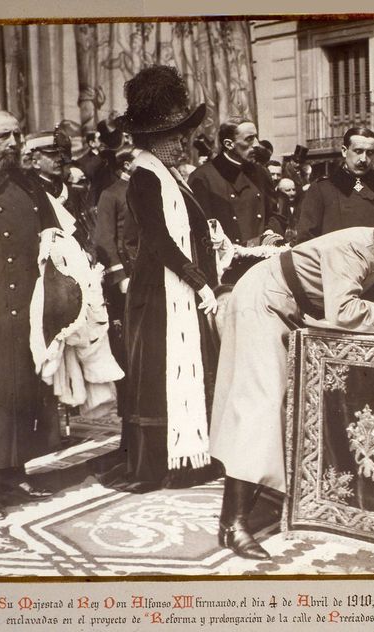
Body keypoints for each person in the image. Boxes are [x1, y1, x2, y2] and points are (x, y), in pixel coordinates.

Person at [210, 211, 374, 559]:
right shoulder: (355, 248)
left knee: (287, 401)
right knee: (261, 403)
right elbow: (345, 311)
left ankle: (264, 491)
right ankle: (233, 524)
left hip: (285, 304)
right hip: (262, 300)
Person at [114, 65, 220, 491]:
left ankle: (191, 460)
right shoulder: (145, 176)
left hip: (174, 287)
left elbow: (192, 232)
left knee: (190, 371)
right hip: (158, 295)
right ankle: (157, 466)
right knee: (158, 376)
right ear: (156, 139)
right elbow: (157, 241)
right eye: (176, 136)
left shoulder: (172, 177)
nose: (184, 143)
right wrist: (199, 280)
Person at [0, 110, 60, 520]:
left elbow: (52, 234)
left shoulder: (28, 184)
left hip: (28, 307)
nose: (15, 142)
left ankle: (17, 472)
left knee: (22, 392)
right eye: (5, 136)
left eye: (18, 135)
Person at [188, 116, 284, 250]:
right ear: (229, 144)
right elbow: (201, 229)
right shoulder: (202, 177)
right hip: (227, 262)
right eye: (249, 139)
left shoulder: (261, 173)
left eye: (256, 137)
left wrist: (269, 234)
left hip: (263, 256)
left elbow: (275, 215)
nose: (256, 144)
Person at [296, 127, 374, 243]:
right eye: (358, 151)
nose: (364, 159)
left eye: (369, 153)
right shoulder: (322, 190)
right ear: (344, 151)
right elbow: (306, 241)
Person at [93, 148, 140, 419]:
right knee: (127, 346)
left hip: (147, 277)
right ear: (126, 164)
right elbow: (104, 239)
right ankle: (129, 410)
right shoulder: (111, 194)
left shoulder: (144, 189)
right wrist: (121, 277)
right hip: (126, 281)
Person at [276, 177, 299, 242]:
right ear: (280, 191)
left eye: (293, 189)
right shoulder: (278, 207)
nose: (292, 193)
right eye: (288, 190)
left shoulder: (299, 204)